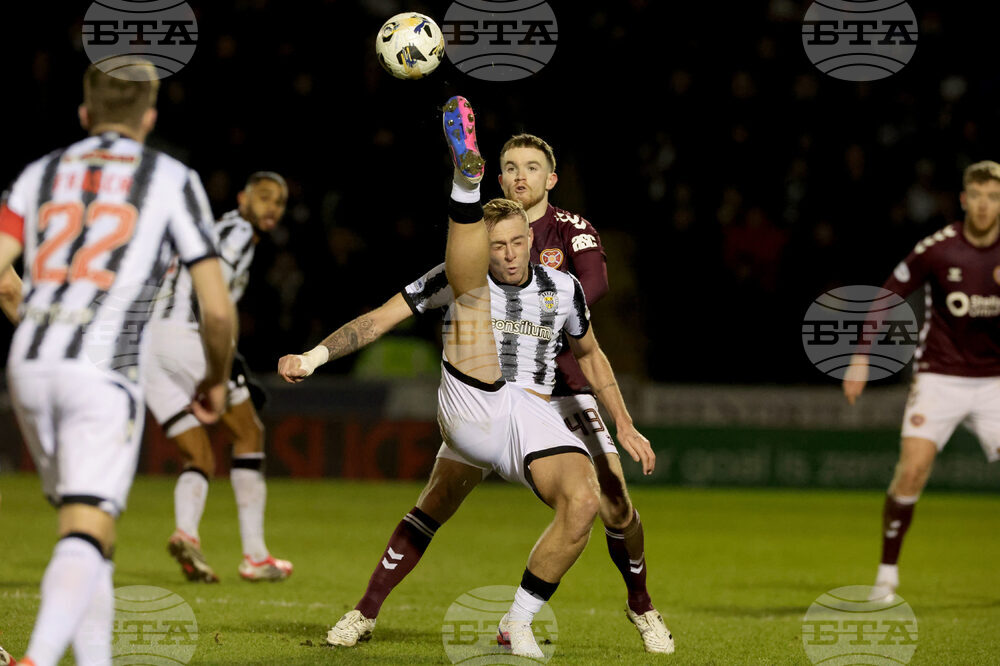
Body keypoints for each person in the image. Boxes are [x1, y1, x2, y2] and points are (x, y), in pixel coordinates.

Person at [278, 96, 662, 657]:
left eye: (514, 243)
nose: (506, 253)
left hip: (531, 410)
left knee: (583, 503)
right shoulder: (465, 276)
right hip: (470, 399)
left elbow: (593, 354)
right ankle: (466, 181)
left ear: (534, 239)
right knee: (471, 294)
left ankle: (517, 623)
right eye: (494, 244)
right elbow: (378, 319)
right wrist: (312, 357)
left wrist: (624, 426)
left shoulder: (563, 289)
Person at [0, 61, 233, 666]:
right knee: (85, 528)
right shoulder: (170, 177)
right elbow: (217, 311)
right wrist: (212, 379)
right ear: (150, 118)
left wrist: (41, 324)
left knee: (89, 532)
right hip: (104, 370)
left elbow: (2, 277)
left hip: (28, 363)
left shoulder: (39, 173)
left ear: (84, 114)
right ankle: (39, 658)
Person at [844, 160, 1000, 601]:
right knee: (912, 470)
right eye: (979, 196)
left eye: (995, 197)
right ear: (965, 200)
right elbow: (886, 297)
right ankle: (886, 577)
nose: (986, 205)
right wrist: (860, 357)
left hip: (995, 382)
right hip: (940, 376)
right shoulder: (939, 248)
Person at [145, 171, 293, 583]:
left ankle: (186, 533)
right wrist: (222, 366)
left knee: (199, 455)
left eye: (278, 202)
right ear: (242, 197)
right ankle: (256, 556)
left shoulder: (210, 229)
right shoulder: (237, 232)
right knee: (249, 434)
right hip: (187, 338)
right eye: (263, 197)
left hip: (151, 348)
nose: (271, 208)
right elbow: (212, 298)